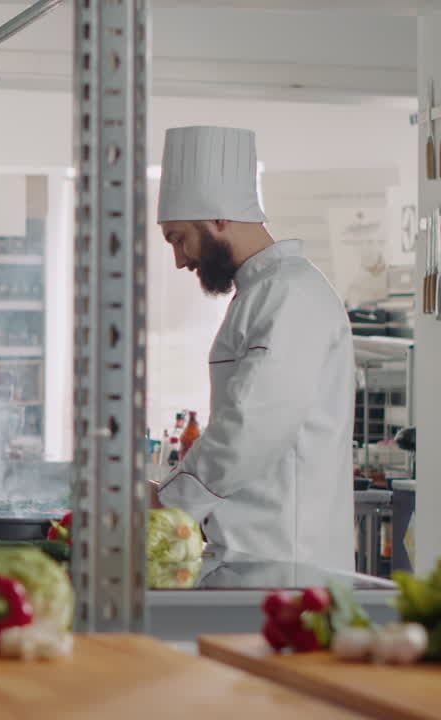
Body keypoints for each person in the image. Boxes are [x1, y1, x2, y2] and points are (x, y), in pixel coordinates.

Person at [150, 125, 355, 571]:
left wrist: (166, 501)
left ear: (219, 217)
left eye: (178, 237)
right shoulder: (263, 292)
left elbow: (252, 427)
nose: (180, 260)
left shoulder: (289, 294)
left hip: (285, 561)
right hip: (254, 556)